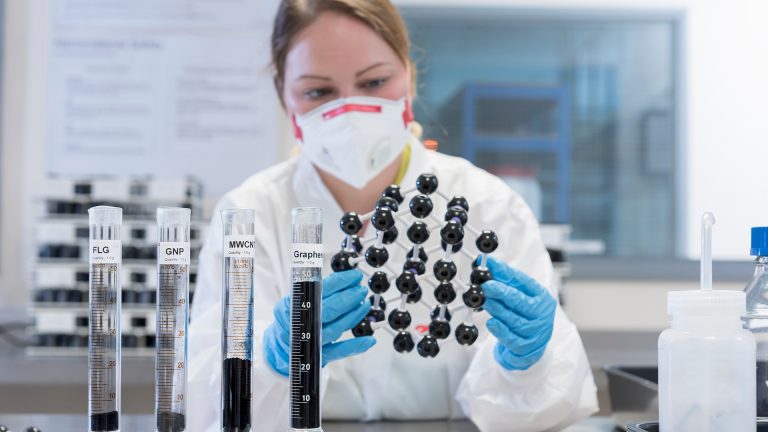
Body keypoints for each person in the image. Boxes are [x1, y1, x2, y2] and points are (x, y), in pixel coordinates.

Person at [188, 1, 599, 431]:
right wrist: (267, 363)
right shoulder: (251, 215)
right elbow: (207, 404)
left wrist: (527, 362)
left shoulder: (487, 207)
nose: (349, 113)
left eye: (374, 82)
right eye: (318, 92)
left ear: (409, 77)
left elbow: (547, 406)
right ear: (282, 93)